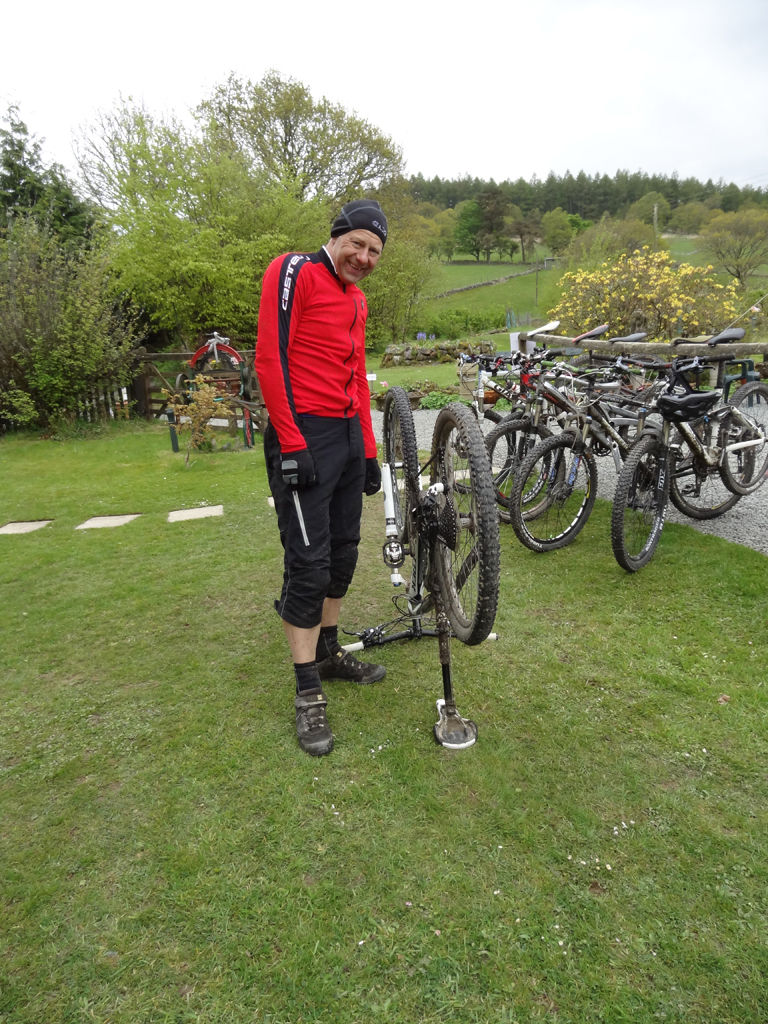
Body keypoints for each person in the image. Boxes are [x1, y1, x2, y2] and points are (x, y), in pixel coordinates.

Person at [255, 200, 388, 757]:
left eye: (374, 250)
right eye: (357, 243)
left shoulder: (357, 300)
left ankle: (329, 653)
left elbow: (357, 376)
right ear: (336, 236)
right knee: (308, 565)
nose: (364, 257)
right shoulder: (294, 271)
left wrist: (369, 451)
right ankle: (307, 689)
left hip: (347, 437)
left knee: (343, 553)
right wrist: (292, 443)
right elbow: (270, 358)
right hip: (304, 432)